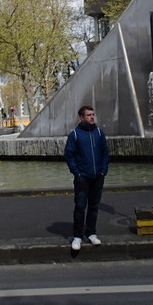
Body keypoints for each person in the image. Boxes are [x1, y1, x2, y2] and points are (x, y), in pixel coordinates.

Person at [64, 105, 109, 251]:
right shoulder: (75, 135)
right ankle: (77, 236)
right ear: (81, 118)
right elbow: (69, 155)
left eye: (93, 115)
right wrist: (76, 172)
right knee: (80, 207)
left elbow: (105, 153)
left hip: (98, 176)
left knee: (94, 206)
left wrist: (103, 171)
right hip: (82, 176)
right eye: (89, 115)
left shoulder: (99, 133)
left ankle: (91, 233)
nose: (92, 117)